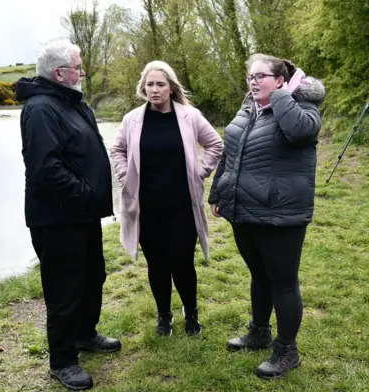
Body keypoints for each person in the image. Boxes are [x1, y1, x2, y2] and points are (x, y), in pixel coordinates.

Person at [208, 53, 325, 379]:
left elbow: (300, 132)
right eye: (250, 76)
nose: (253, 81)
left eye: (261, 76)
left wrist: (281, 96)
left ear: (281, 80)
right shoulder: (249, 108)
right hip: (243, 209)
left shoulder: (303, 107)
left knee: (284, 283)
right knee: (259, 275)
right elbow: (230, 153)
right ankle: (259, 332)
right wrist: (218, 191)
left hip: (280, 213)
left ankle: (287, 350)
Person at [15, 39, 121, 391]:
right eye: (78, 67)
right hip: (58, 218)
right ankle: (62, 361)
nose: (83, 72)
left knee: (93, 276)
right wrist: (86, 195)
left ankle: (84, 335)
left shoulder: (71, 103)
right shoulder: (41, 108)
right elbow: (46, 169)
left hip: (82, 214)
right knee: (64, 289)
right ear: (60, 73)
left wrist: (91, 200)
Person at [110, 61, 223, 337]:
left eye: (160, 84)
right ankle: (164, 315)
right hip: (147, 208)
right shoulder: (133, 119)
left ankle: (191, 312)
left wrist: (199, 172)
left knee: (183, 262)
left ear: (171, 87)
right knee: (157, 264)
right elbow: (117, 150)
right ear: (143, 88)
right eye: (150, 84)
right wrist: (126, 177)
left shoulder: (190, 116)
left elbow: (215, 144)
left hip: (182, 206)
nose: (155, 89)